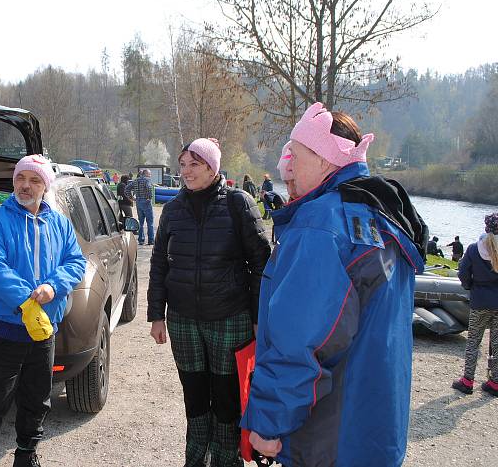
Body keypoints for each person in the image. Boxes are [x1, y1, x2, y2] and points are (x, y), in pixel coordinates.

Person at [240, 102, 427, 466]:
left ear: (325, 160)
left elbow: (303, 343)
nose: (287, 166)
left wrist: (269, 423)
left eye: (295, 154)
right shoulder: (382, 214)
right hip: (374, 427)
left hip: (331, 436)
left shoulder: (322, 225)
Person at [148, 138, 271, 467]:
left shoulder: (238, 203)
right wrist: (155, 315)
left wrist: (258, 315)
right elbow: (160, 262)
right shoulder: (173, 209)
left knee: (228, 396)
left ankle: (227, 460)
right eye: (183, 165)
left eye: (195, 164)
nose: (186, 172)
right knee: (195, 392)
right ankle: (195, 457)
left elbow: (261, 262)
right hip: (183, 319)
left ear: (213, 168)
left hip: (230, 317)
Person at [0, 155, 86, 467]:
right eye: (21, 179)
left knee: (37, 398)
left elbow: (75, 262)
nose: (26, 185)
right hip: (0, 331)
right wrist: (27, 301)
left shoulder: (59, 223)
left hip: (43, 331)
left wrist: (53, 286)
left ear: (45, 186)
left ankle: (26, 453)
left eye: (34, 180)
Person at [451, 213, 498, 396]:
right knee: (497, 342)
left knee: (473, 342)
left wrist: (470, 286)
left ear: (486, 227)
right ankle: (495, 382)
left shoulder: (474, 249)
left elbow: (463, 273)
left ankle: (467, 380)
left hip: (480, 300)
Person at [125, 168, 155, 245]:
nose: (150, 176)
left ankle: (141, 240)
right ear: (146, 174)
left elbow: (127, 189)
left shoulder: (136, 180)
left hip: (138, 201)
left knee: (141, 222)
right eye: (149, 174)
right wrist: (149, 197)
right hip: (146, 201)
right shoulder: (147, 180)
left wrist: (131, 198)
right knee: (150, 222)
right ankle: (151, 240)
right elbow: (149, 187)